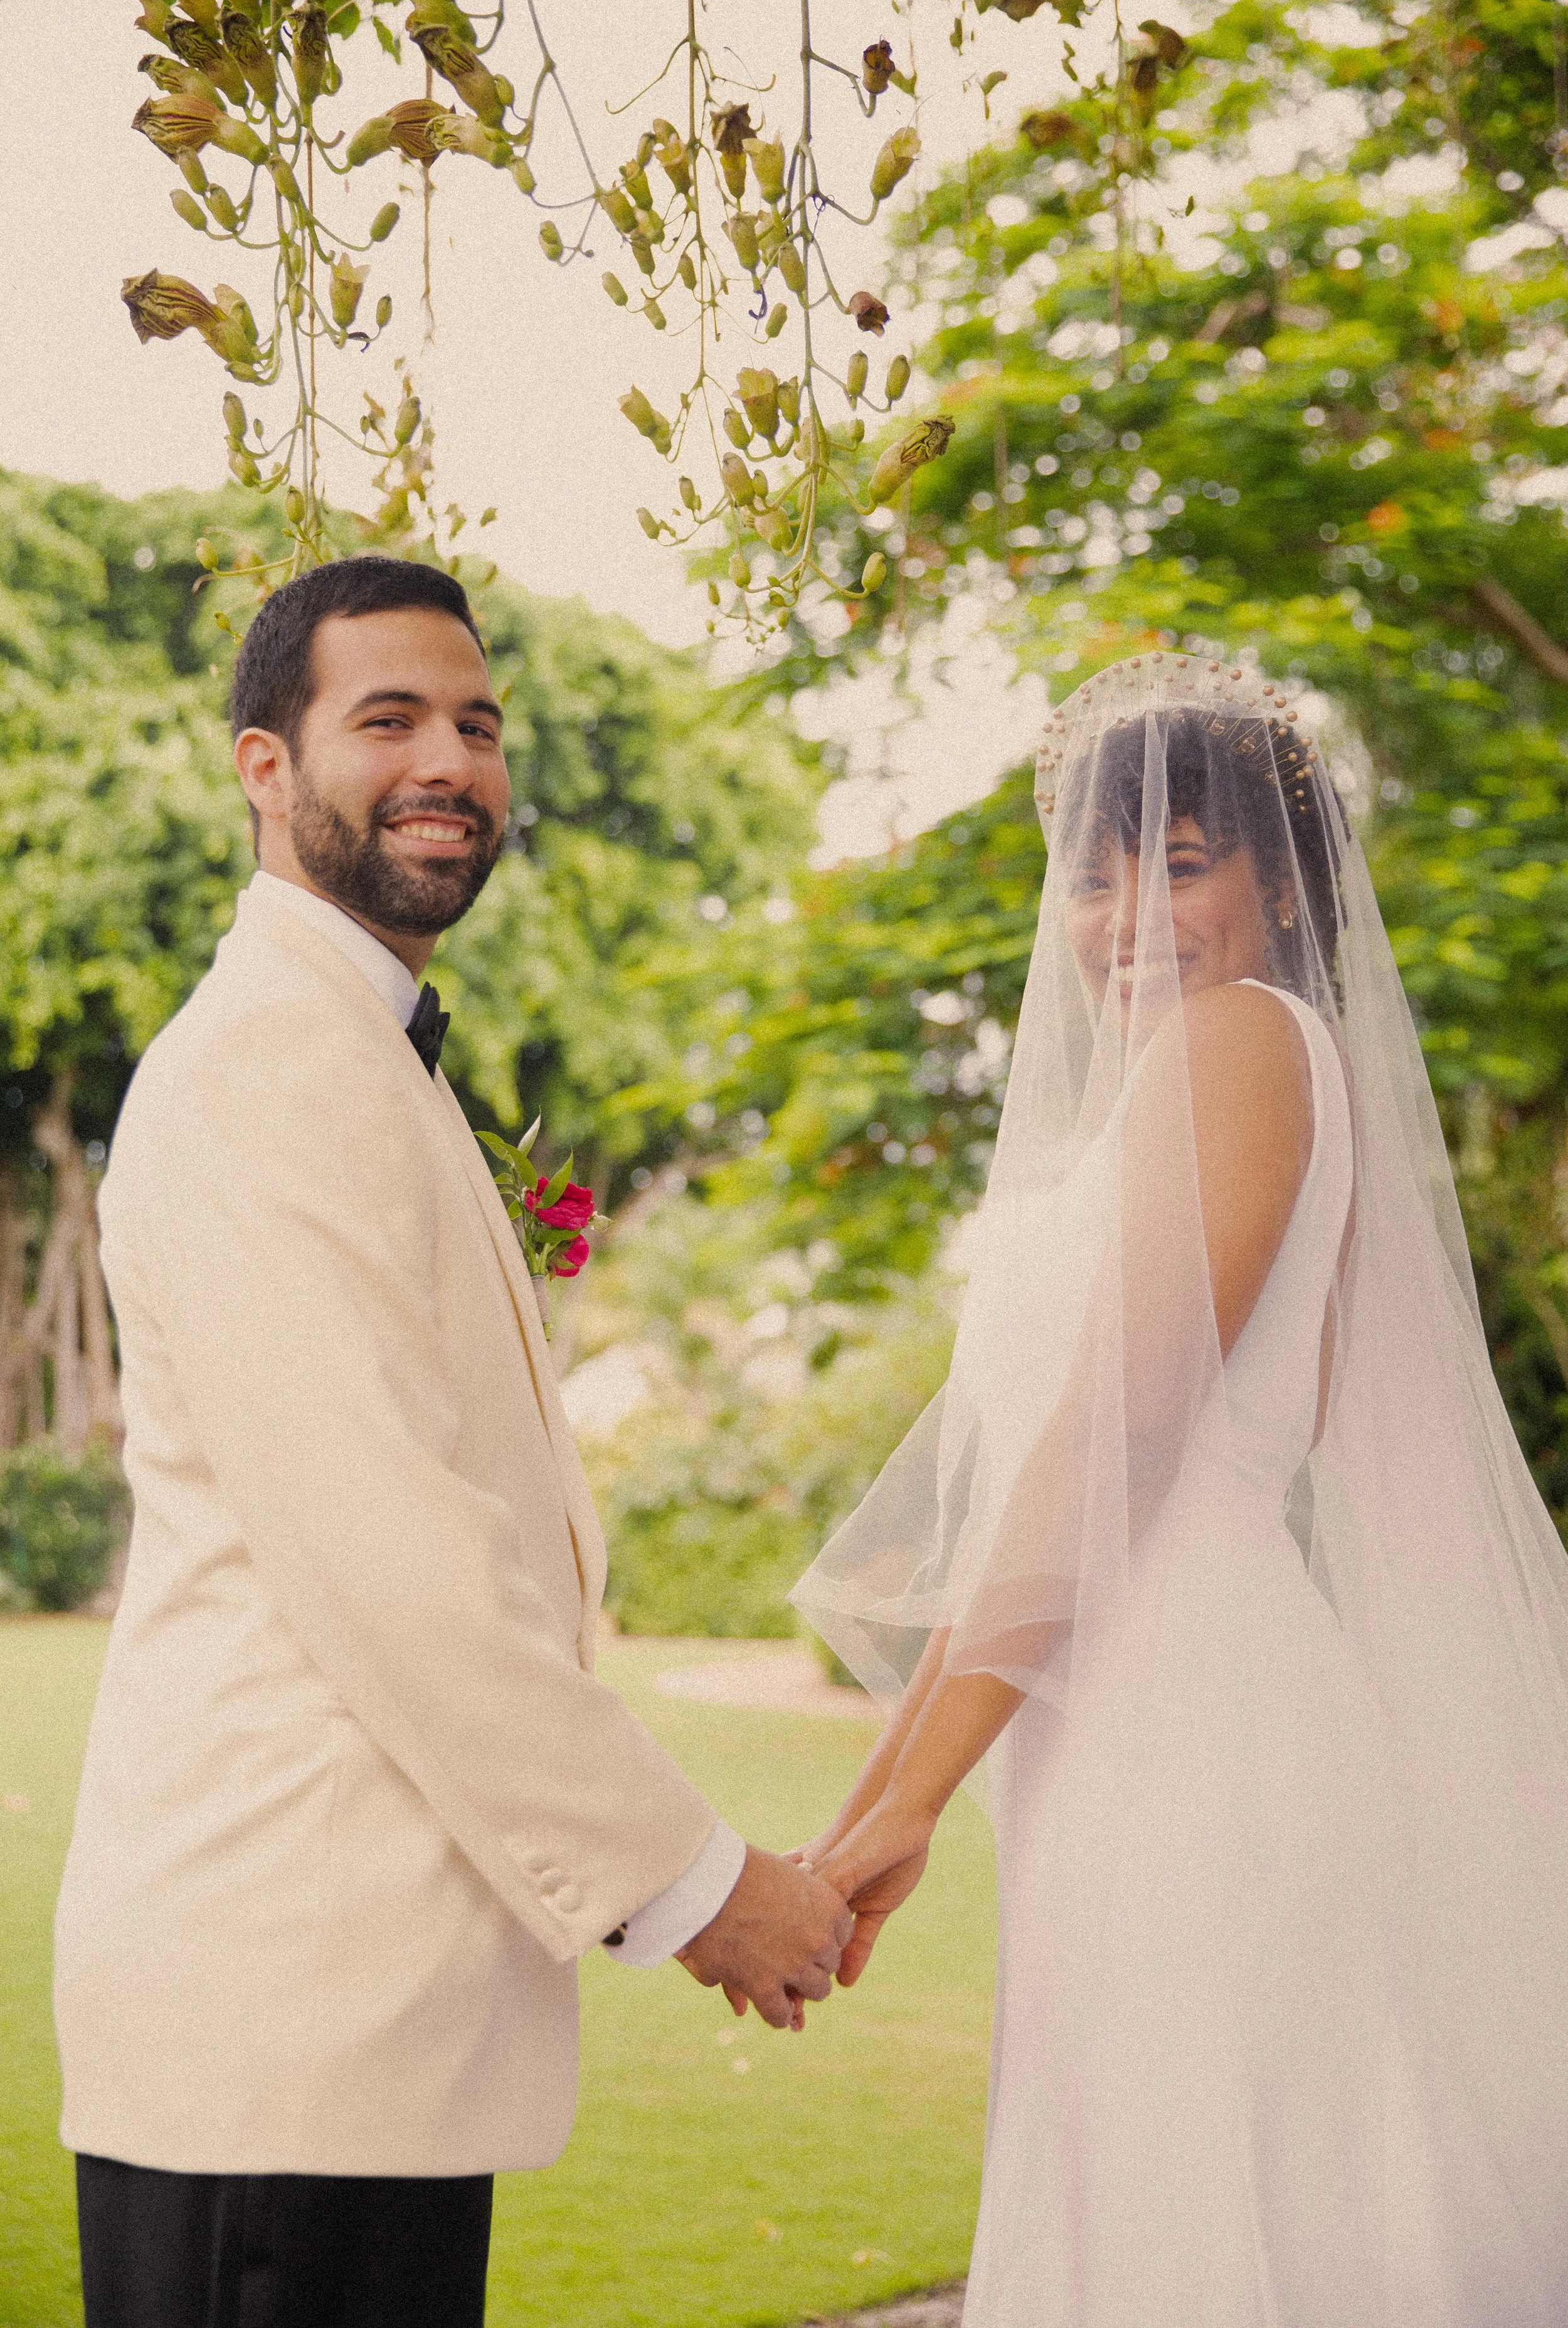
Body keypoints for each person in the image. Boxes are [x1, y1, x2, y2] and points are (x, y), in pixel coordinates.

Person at [53, 554, 851, 2328]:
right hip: (278, 2027)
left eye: (478, 725)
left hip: (361, 2040)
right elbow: (403, 1569)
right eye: (389, 718)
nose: (452, 761)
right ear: (265, 765)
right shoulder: (267, 1069)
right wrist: (705, 1888)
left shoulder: (357, 1056)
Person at [791, 655, 1568, 2325]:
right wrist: (873, 1808)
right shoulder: (1187, 1082)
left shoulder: (1235, 1045)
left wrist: (912, 1802)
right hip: (1123, 1741)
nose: (1127, 906)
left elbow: (1103, 1456)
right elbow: (1028, 1489)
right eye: (1093, 872)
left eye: (1182, 858)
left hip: (1205, 1741)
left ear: (1281, 880)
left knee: (1207, 2217)